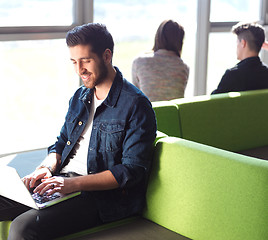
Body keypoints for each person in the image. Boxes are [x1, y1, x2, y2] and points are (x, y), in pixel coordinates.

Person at [0, 23, 157, 239]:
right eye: (74, 62)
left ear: (107, 56)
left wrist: (71, 184)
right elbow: (61, 143)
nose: (79, 69)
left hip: (99, 197)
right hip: (61, 180)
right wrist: (45, 169)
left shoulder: (136, 105)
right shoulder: (80, 97)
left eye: (86, 61)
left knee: (22, 228)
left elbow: (132, 171)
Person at [132, 19, 189, 102]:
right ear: (180, 42)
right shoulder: (184, 67)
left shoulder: (139, 62)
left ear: (158, 37)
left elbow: (135, 97)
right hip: (172, 114)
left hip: (147, 114)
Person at [211, 22, 268, 94]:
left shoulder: (232, 75)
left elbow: (213, 102)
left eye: (237, 42)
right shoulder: (266, 74)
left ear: (243, 43)